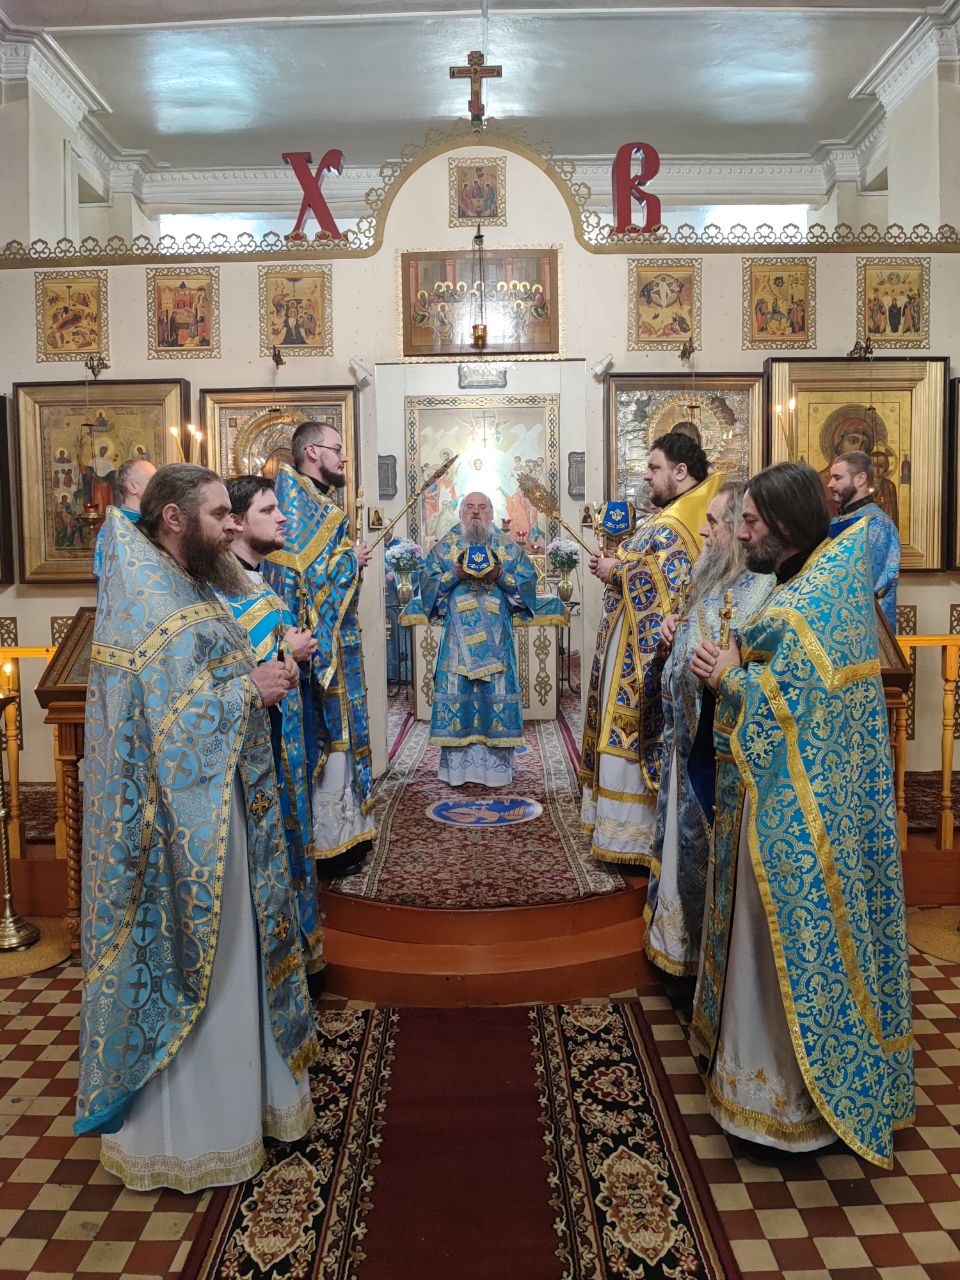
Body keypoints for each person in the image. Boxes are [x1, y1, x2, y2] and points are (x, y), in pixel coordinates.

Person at [76, 464, 319, 1192]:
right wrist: (249, 690)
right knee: (208, 971)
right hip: (176, 836)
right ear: (175, 519)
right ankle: (197, 1138)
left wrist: (259, 677)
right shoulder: (148, 601)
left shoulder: (189, 582)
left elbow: (201, 684)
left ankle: (250, 1104)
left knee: (237, 962)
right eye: (219, 514)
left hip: (219, 809)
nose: (232, 524)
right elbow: (163, 729)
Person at [689, 461, 913, 1166]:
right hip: (795, 801)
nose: (741, 534)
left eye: (751, 522)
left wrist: (728, 677)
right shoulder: (815, 582)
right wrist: (734, 672)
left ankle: (780, 1108)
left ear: (785, 525)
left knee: (777, 949)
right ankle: (756, 1089)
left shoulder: (806, 603)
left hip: (797, 814)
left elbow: (787, 706)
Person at [643, 480, 773, 976]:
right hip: (683, 750)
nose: (703, 530)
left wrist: (719, 672)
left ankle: (704, 968)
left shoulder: (763, 592)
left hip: (714, 761)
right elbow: (685, 650)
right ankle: (678, 950)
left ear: (740, 528)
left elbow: (750, 674)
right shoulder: (712, 581)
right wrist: (670, 638)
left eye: (713, 522)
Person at [580, 433, 723, 865]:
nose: (646, 476)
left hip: (641, 656)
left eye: (654, 467)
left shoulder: (680, 520)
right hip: (627, 645)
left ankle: (633, 839)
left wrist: (616, 572)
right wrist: (618, 566)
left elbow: (671, 588)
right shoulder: (677, 513)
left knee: (631, 736)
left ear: (680, 471)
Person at [262, 421, 376, 877]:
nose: (344, 457)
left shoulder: (316, 502)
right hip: (314, 648)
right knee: (325, 740)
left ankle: (349, 834)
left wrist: (346, 561)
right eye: (337, 448)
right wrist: (351, 560)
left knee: (344, 737)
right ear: (312, 452)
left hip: (338, 642)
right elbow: (304, 582)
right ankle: (327, 844)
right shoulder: (296, 503)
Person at [225, 474, 323, 965]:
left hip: (282, 743)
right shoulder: (221, 587)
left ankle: (297, 953)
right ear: (236, 522)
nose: (283, 517)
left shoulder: (257, 579)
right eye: (268, 510)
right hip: (253, 752)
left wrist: (294, 650)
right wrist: (290, 650)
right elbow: (232, 665)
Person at [411, 492, 538, 787]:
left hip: (497, 641)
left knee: (495, 697)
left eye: (482, 507)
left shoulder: (508, 548)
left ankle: (496, 770)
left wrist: (499, 575)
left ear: (491, 513)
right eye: (469, 507)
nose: (476, 512)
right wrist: (454, 574)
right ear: (460, 513)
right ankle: (458, 771)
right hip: (457, 644)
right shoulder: (444, 549)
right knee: (460, 697)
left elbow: (527, 588)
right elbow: (427, 589)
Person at [827, 450, 900, 631]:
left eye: (837, 478)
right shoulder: (837, 521)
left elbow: (864, 579)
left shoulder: (876, 523)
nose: (830, 484)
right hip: (838, 618)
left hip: (865, 625)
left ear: (860, 479)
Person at [92, 456, 156, 577]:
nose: (160, 487)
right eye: (154, 481)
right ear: (132, 486)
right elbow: (110, 578)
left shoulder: (157, 523)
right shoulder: (113, 527)